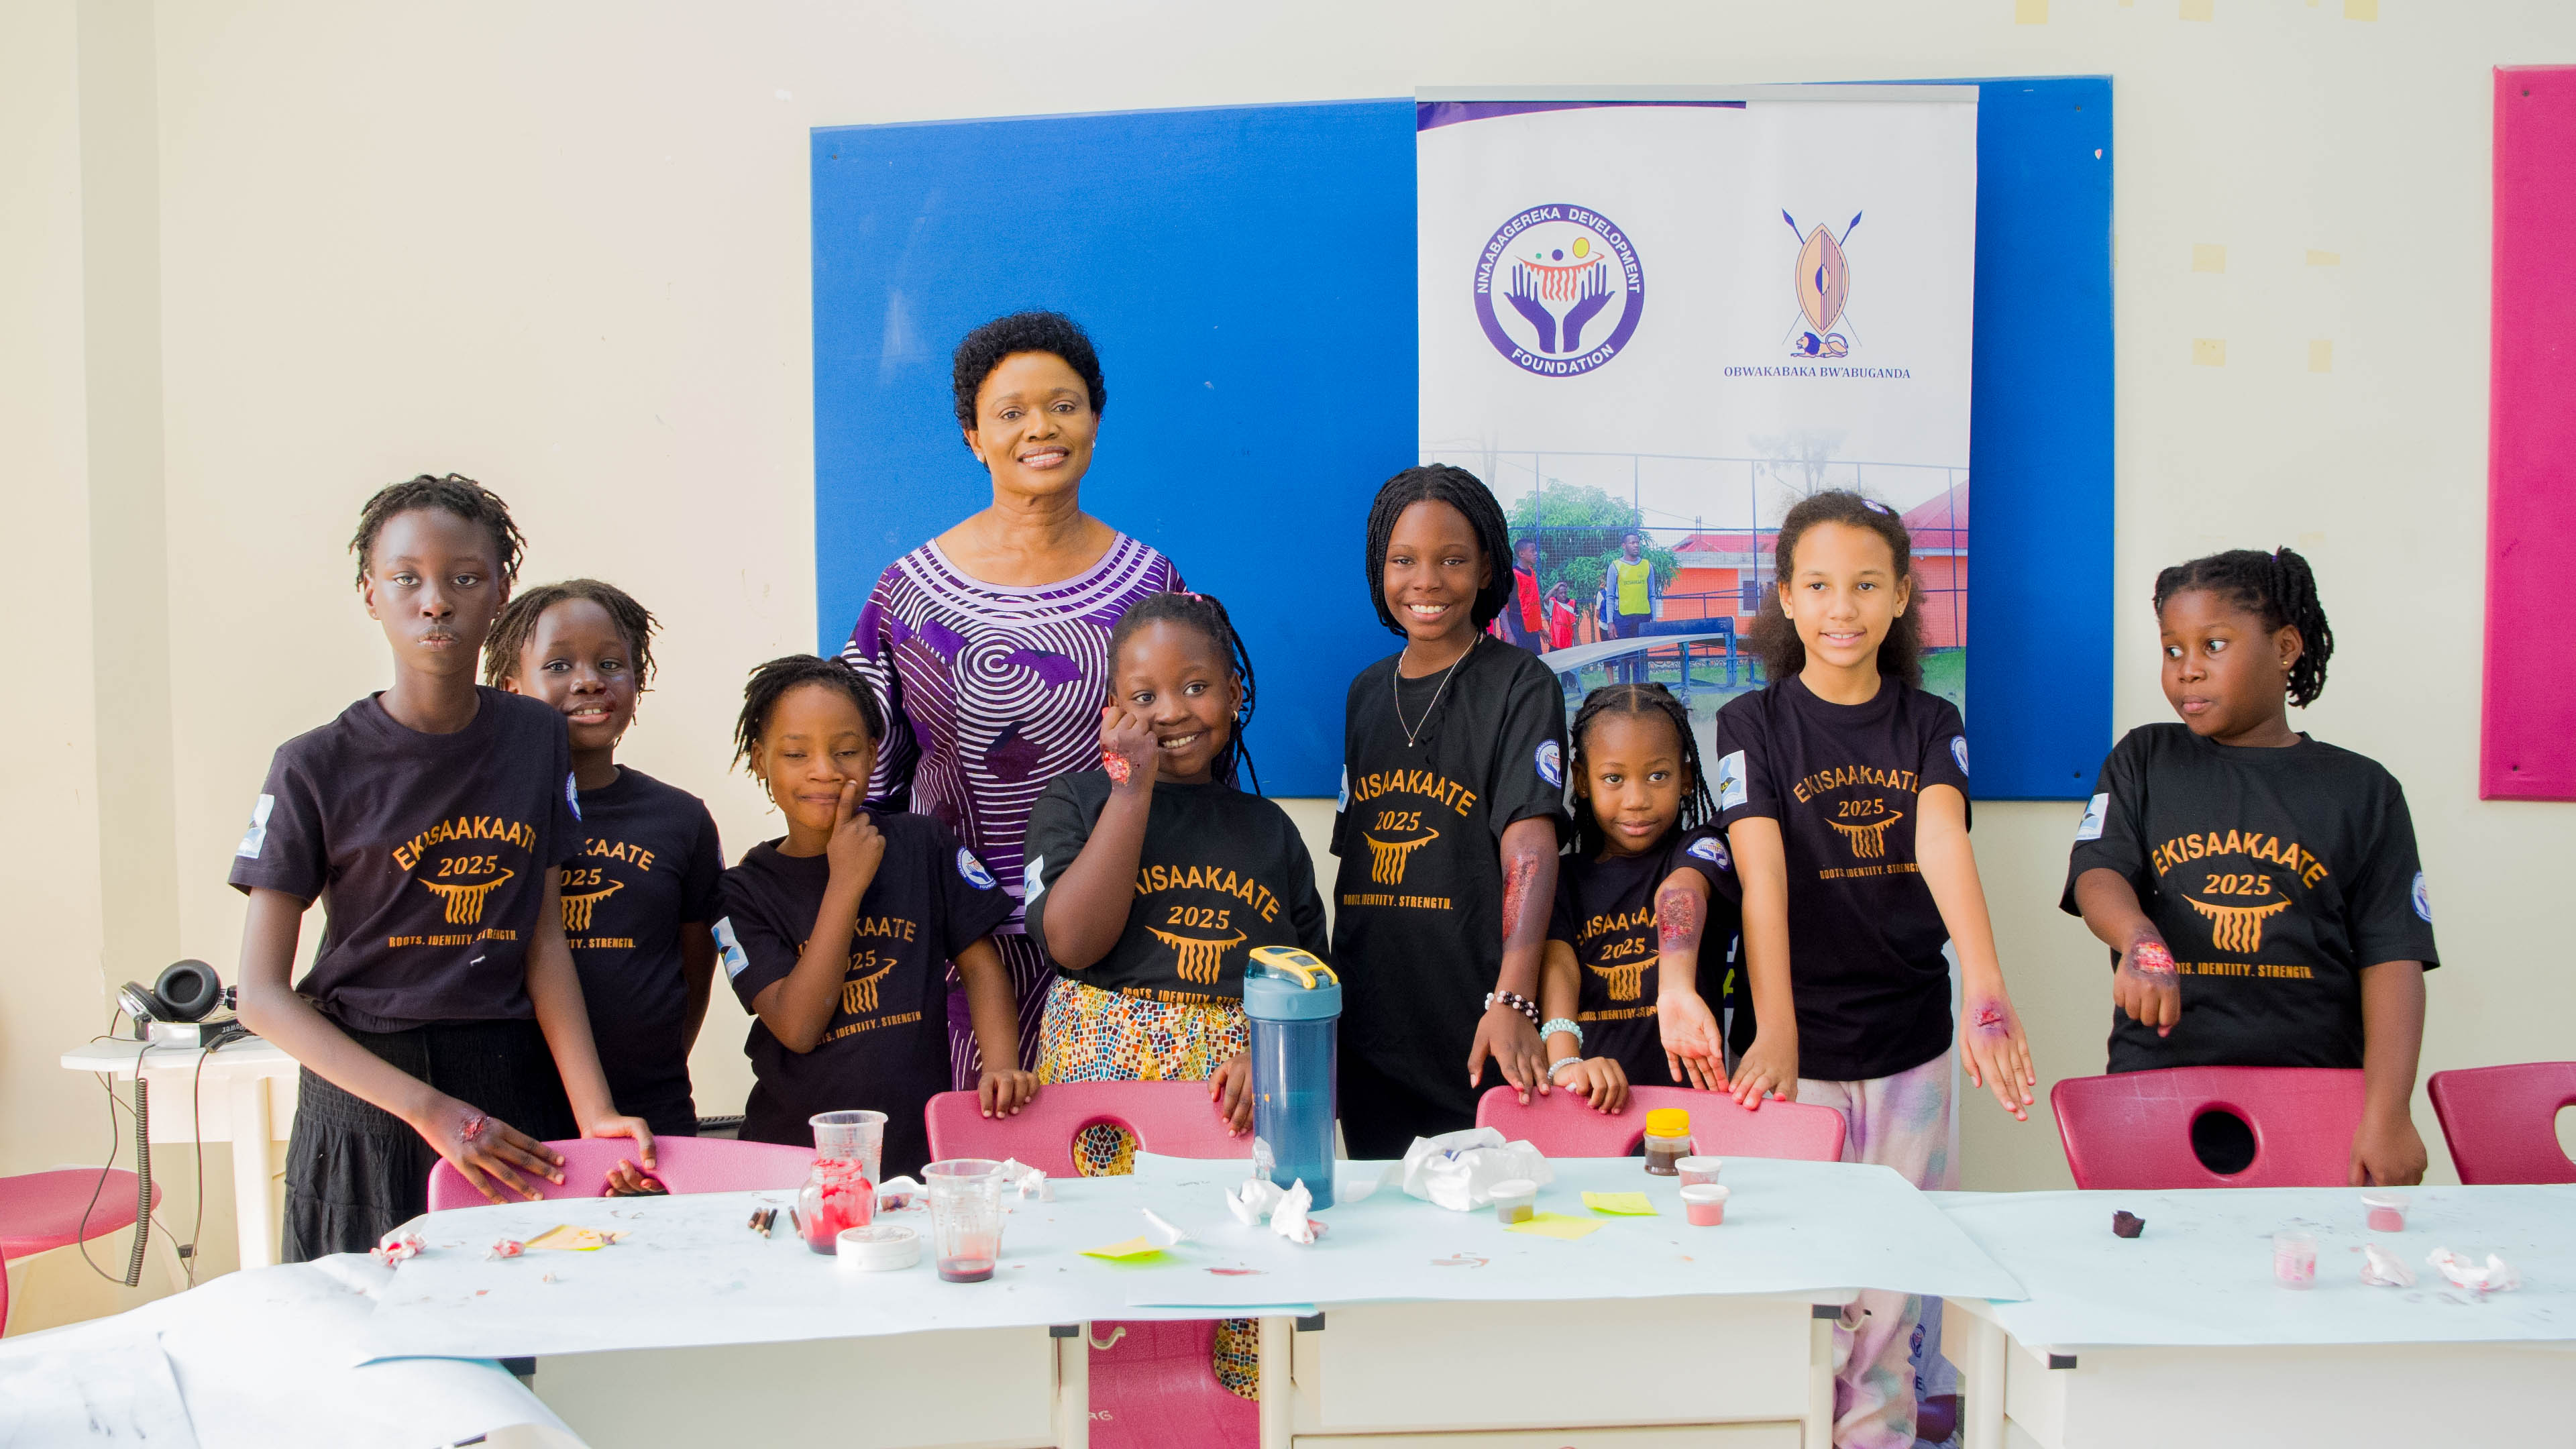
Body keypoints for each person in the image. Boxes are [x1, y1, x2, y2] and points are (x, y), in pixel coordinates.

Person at [230, 475, 654, 1259]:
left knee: (512, 1336)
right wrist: (428, 1109)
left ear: (501, 591)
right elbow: (259, 995)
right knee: (364, 1348)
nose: (435, 601)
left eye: (464, 578)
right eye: (407, 579)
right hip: (369, 1097)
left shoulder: (535, 739)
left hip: (508, 1087)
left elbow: (544, 941)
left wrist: (593, 1113)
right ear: (370, 593)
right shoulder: (312, 765)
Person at [1713, 489, 2037, 1449]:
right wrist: (1774, 1026)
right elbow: (1760, 880)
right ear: (1785, 598)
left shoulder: (1932, 722)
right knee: (1801, 1273)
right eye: (1817, 585)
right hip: (1791, 1050)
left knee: (1894, 1281)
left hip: (1909, 1048)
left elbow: (1942, 840)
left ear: (1903, 596)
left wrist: (1985, 987)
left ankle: (1883, 1438)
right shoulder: (1750, 721)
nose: (1841, 607)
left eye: (1864, 585)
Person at [842, 311, 1182, 1091]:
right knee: (976, 1175)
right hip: (960, 955)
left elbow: (1193, 778)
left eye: (1064, 405)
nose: (1042, 429)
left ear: (1095, 418)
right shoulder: (909, 594)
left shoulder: (1150, 585)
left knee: (1104, 1183)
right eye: (1011, 412)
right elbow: (867, 782)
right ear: (972, 434)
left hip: (1120, 953)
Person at [1021, 591, 1326, 1402]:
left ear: (1233, 693)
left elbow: (1310, 982)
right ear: (1113, 708)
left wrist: (1262, 1055)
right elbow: (1071, 944)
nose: (1173, 712)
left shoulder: (1271, 832)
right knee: (1112, 1284)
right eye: (1144, 696)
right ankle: (1109, 1412)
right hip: (1108, 1095)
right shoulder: (1076, 803)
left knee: (1240, 1286)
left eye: (1195, 687)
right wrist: (1130, 790)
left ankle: (1238, 1416)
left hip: (1237, 1098)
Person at [2063, 548, 2434, 1186]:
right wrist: (2140, 939)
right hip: (2164, 1089)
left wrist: (2390, 1112)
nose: (2188, 672)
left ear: (2286, 648)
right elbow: (2099, 874)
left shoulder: (2363, 790)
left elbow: (2393, 959)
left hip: (2316, 1095)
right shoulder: (2144, 759)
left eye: (2213, 646)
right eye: (2173, 650)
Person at [714, 655, 1036, 1179]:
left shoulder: (921, 845)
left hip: (914, 1153)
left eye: (844, 751)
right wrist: (845, 883)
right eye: (796, 753)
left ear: (872, 753)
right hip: (791, 1160)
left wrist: (1000, 1066)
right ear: (760, 760)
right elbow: (797, 1026)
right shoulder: (741, 891)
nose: (824, 769)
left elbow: (980, 965)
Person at [1332, 465, 1570, 1158]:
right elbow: (1355, 865)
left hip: (1475, 1023)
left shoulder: (1521, 685)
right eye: (1404, 561)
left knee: (1484, 1239)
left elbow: (1531, 849)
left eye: (1452, 560)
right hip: (1372, 1030)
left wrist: (1512, 1000)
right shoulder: (1365, 694)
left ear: (1487, 566)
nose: (1426, 581)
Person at [487, 579, 724, 1146]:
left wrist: (649, 1066)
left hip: (650, 1113)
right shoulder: (488, 818)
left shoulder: (680, 820)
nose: (589, 680)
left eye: (611, 663)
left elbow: (693, 975)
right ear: (510, 687)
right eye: (560, 665)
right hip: (515, 1117)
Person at [1540, 684, 1739, 1114]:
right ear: (1581, 780)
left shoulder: (1701, 847)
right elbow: (1560, 972)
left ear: (1686, 778)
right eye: (1614, 778)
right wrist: (1567, 1065)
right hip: (1589, 1110)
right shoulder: (1563, 880)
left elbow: (1681, 893)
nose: (1637, 800)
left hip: (1690, 1118)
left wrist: (1676, 989)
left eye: (1658, 776)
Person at [1604, 531, 1660, 682]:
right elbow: (1609, 597)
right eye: (1632, 543)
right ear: (1624, 545)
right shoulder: (1615, 566)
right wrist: (1610, 622)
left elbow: (1652, 595)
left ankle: (1639, 691)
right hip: (1622, 619)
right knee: (1624, 659)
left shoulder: (1647, 566)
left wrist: (1654, 620)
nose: (1636, 545)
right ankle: (1624, 691)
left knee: (1640, 660)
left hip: (1643, 618)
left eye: (1637, 542)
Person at [1493, 535, 1544, 649]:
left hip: (1532, 630)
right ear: (1521, 554)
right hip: (1517, 629)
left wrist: (1540, 628)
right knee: (1521, 664)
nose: (1536, 553)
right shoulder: (1513, 576)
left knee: (1536, 662)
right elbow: (1503, 606)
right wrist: (1509, 633)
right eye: (1532, 551)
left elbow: (1532, 605)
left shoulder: (1531, 572)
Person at [1545, 582, 1578, 653]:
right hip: (1555, 643)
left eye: (1565, 593)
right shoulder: (1553, 604)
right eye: (1561, 593)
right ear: (1556, 593)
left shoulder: (1571, 606)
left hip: (1567, 644)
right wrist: (1554, 588)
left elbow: (1574, 627)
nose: (1563, 595)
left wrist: (1576, 643)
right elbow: (1545, 599)